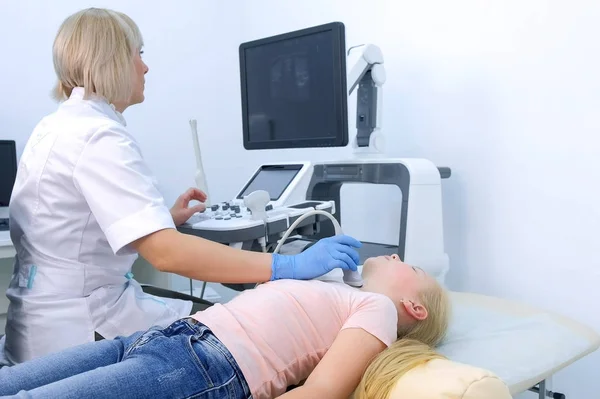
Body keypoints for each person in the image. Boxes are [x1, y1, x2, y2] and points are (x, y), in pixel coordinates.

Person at [3, 7, 362, 365]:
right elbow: (167, 255)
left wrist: (162, 219)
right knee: (244, 330)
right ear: (112, 60)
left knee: (223, 315)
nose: (144, 67)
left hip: (38, 323)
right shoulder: (99, 136)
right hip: (79, 329)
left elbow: (72, 228)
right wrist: (289, 266)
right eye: (138, 54)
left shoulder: (56, 126)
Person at [0, 254, 450, 399]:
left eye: (408, 264)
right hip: (167, 339)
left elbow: (318, 393)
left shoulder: (379, 310)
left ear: (415, 307)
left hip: (205, 364)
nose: (394, 256)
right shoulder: (342, 287)